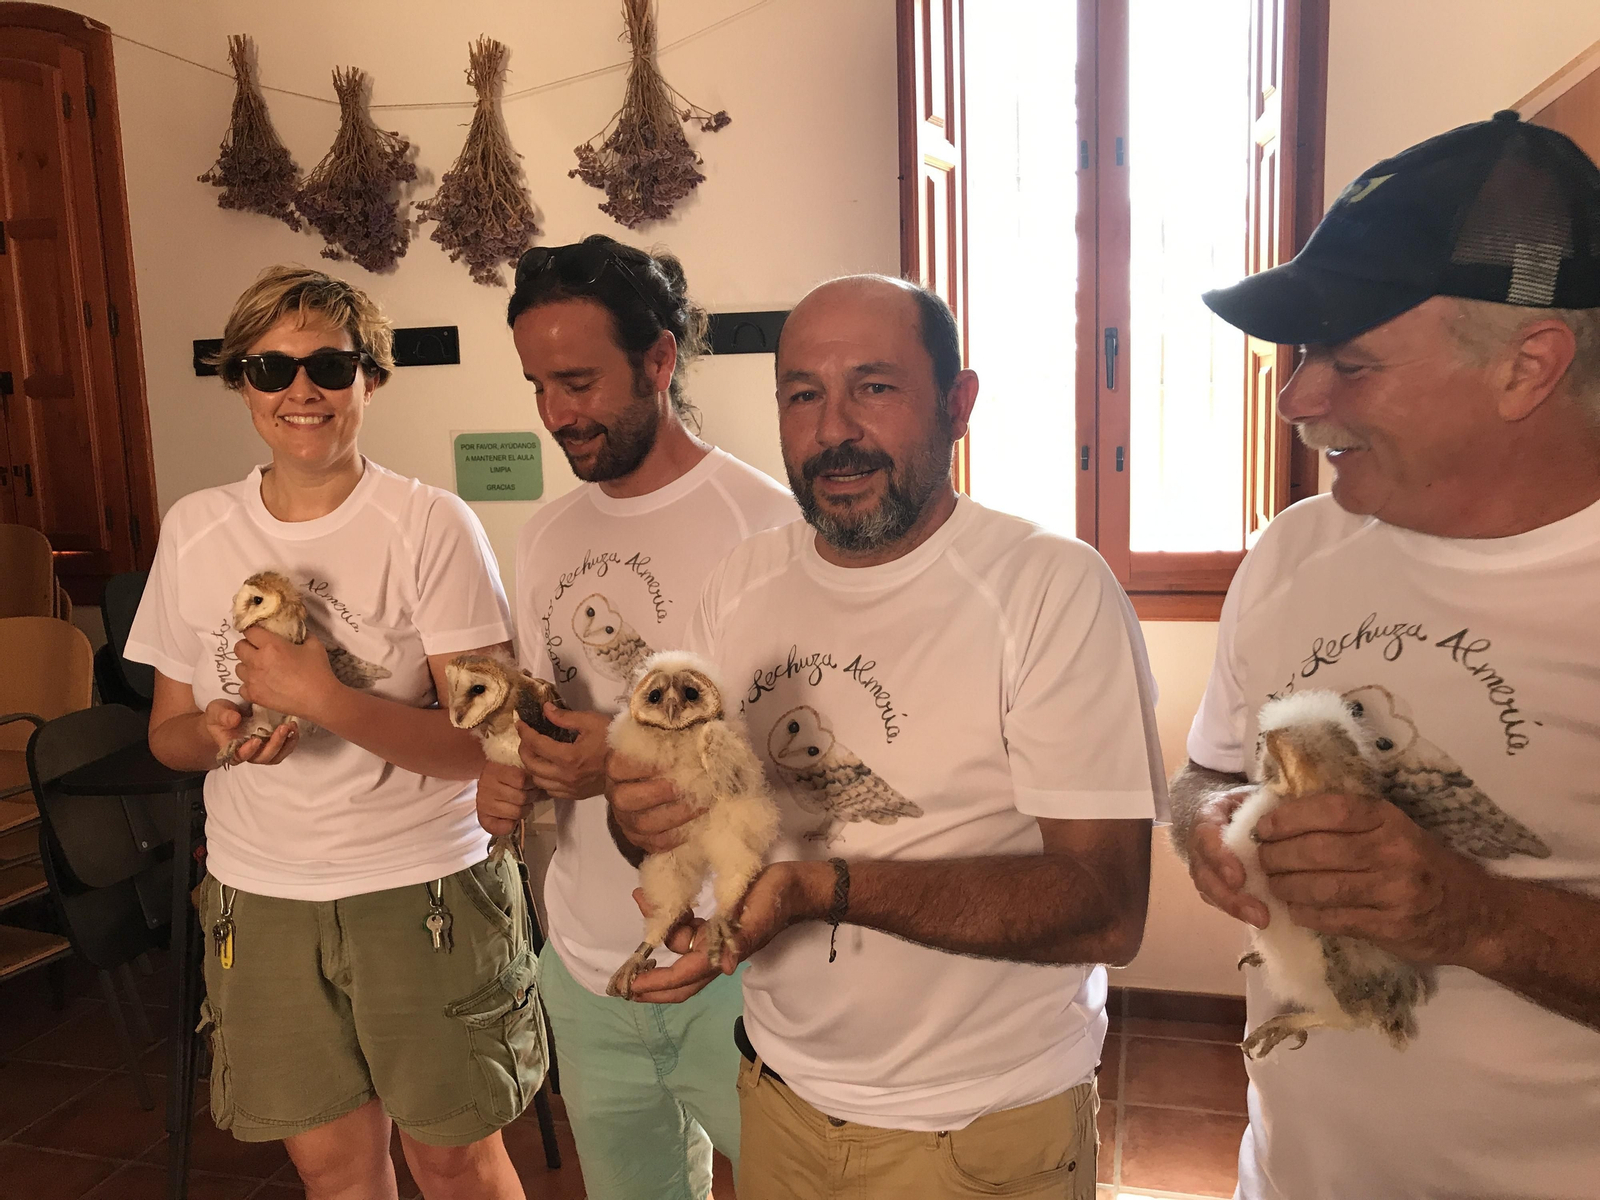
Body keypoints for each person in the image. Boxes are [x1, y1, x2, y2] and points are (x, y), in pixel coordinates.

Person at [605, 274, 1165, 1199]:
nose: (833, 431)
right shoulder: (740, 583)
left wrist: (821, 890)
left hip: (977, 1129)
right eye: (802, 395)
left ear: (957, 405)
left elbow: (1108, 906)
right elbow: (676, 816)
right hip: (778, 1095)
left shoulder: (1048, 587)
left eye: (874, 387)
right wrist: (636, 815)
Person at [1173, 111, 1600, 1199]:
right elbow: (1206, 773)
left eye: (1350, 363)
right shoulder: (1292, 550)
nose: (1298, 399)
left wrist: (1476, 915)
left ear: (1527, 367)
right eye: (1304, 352)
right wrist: (1211, 826)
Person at [128, 266, 540, 1200]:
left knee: (454, 1160)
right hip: (261, 895)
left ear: (371, 378)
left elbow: (486, 742)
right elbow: (166, 736)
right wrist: (219, 732)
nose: (300, 390)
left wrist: (327, 700)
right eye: (270, 369)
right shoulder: (196, 528)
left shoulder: (429, 524)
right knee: (334, 1172)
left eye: (330, 366)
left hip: (420, 884)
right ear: (242, 382)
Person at [473, 236, 796, 1200]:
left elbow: (794, 770)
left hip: (739, 965)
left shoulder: (767, 527)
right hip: (585, 970)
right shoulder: (545, 534)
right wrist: (510, 771)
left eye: (578, 383)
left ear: (659, 360)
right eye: (537, 387)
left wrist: (614, 768)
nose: (554, 415)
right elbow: (540, 713)